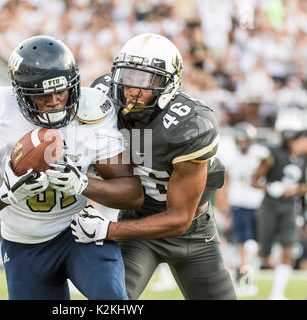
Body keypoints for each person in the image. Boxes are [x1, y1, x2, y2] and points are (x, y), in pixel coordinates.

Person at [0, 35, 143, 300]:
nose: (54, 101)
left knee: (111, 300)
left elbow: (132, 192)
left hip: (79, 231)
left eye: (61, 91)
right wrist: (6, 195)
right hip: (23, 243)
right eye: (42, 94)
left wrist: (84, 184)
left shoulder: (92, 111)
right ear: (21, 94)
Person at [72, 33, 236, 300]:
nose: (132, 88)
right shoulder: (102, 100)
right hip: (138, 223)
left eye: (146, 80)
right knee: (110, 301)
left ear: (169, 84)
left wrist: (108, 230)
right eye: (127, 76)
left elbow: (180, 218)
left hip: (194, 231)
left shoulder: (190, 124)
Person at [252, 124, 307, 300]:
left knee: (288, 248)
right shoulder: (273, 154)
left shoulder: (303, 159)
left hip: (289, 208)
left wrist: (295, 189)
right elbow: (254, 180)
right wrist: (270, 187)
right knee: (264, 250)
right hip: (269, 206)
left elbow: (305, 186)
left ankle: (277, 293)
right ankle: (245, 278)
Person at [216, 122, 267, 296]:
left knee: (255, 244)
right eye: (240, 140)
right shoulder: (231, 158)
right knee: (242, 242)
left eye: (245, 140)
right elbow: (226, 181)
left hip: (257, 203)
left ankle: (247, 272)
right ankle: (244, 275)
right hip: (239, 204)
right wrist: (223, 201)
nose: (242, 143)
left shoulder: (260, 155)